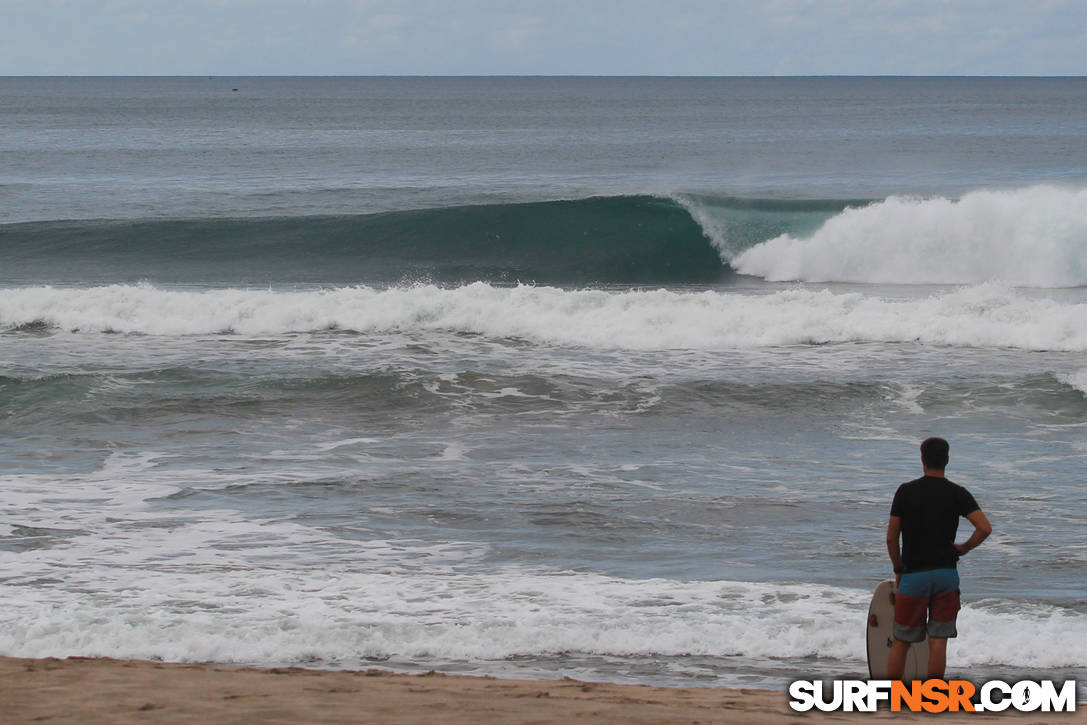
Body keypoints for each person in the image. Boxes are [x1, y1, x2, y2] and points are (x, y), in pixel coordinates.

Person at [885, 437, 992, 681]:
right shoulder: (957, 493)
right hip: (946, 574)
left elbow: (891, 538)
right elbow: (984, 528)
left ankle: (889, 697)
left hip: (914, 575)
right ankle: (932, 696)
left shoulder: (906, 492)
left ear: (922, 460)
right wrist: (963, 548)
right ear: (947, 461)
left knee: (901, 641)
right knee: (938, 641)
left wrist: (898, 568)